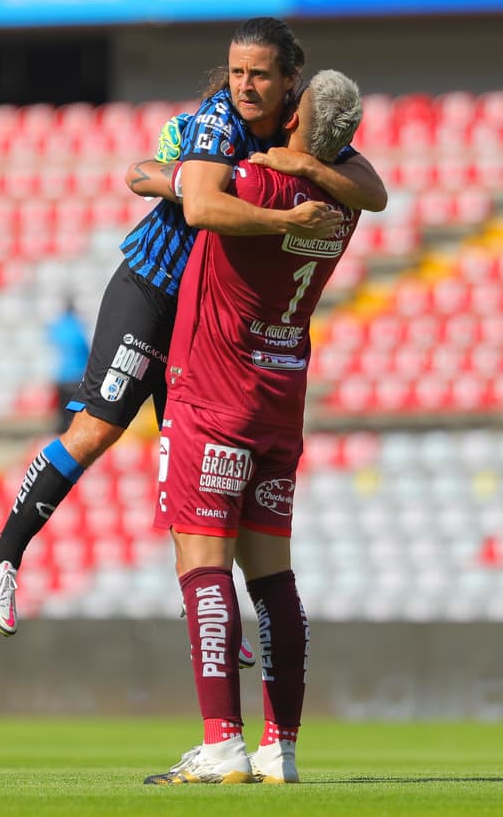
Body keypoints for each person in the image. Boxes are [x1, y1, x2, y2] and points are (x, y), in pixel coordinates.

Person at [0, 17, 387, 637]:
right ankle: (0, 559)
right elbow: (199, 205)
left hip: (207, 316)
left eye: (260, 75)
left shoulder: (300, 128)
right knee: (98, 428)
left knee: (188, 468)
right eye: (238, 71)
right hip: (155, 288)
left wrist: (306, 171)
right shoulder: (218, 118)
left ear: (290, 81)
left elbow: (372, 191)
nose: (245, 86)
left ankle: (206, 614)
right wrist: (282, 219)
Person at [143, 70, 365, 785]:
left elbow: (200, 199)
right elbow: (368, 184)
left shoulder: (258, 184)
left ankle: (221, 744)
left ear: (297, 124)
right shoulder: (343, 203)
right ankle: (282, 746)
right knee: (274, 577)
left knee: (203, 564)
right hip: (279, 398)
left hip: (214, 391)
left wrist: (157, 173)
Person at [46, 298, 90, 434]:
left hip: (63, 377)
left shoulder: (58, 327)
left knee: (62, 416)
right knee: (75, 415)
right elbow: (85, 348)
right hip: (78, 376)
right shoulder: (79, 326)